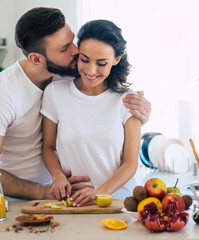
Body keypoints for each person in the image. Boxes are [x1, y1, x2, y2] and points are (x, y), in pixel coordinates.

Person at [0, 7, 151, 200]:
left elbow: (101, 104)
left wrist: (140, 115)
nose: (76, 51)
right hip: (22, 203)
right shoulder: (3, 93)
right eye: (64, 48)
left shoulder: (68, 72)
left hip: (66, 197)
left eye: (72, 41)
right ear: (37, 59)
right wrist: (45, 192)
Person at [41, 20, 141, 207]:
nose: (90, 70)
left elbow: (130, 163)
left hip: (117, 202)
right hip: (73, 202)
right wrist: (58, 176)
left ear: (116, 60)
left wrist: (100, 192)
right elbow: (48, 147)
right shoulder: (55, 92)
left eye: (101, 63)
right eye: (84, 59)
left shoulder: (128, 100)